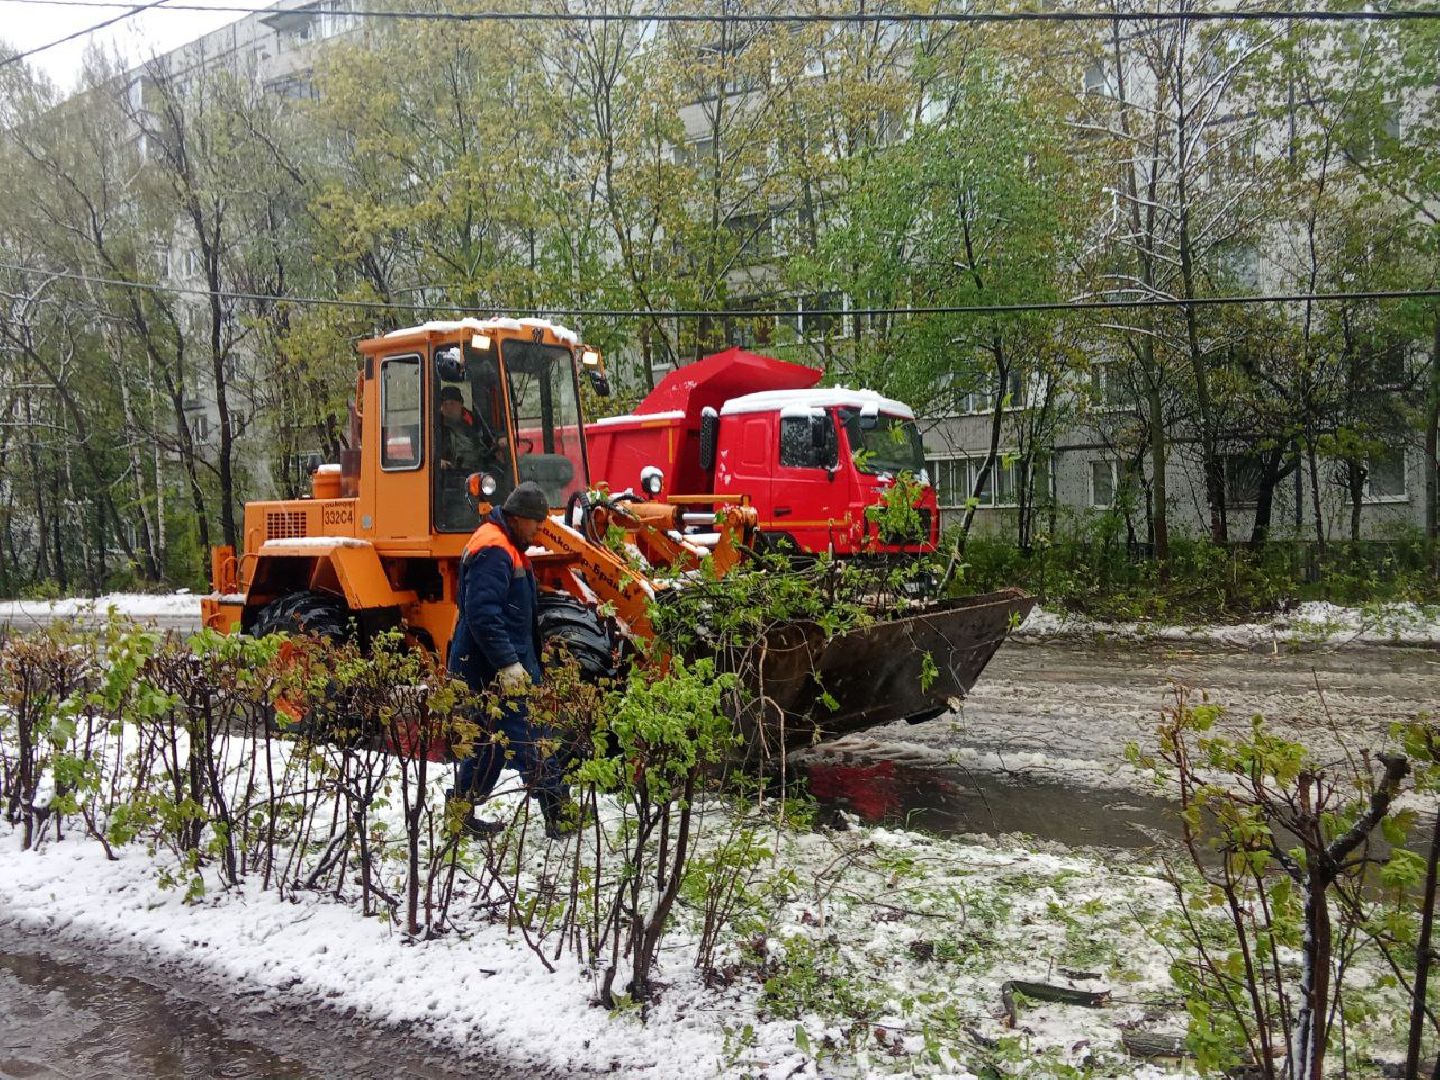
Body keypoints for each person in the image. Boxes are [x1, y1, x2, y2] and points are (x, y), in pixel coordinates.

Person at [447, 481, 578, 840]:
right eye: (536, 525)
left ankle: (459, 812)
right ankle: (559, 814)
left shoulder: (505, 544)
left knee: (492, 743)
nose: (538, 534)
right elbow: (483, 613)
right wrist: (508, 663)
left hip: (490, 665)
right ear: (519, 518)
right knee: (531, 738)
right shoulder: (494, 547)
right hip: (494, 669)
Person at [438, 385, 483, 472]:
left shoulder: (475, 421)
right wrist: (438, 461)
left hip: (478, 469)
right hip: (449, 473)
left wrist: (500, 438)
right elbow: (428, 452)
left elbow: (488, 439)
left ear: (461, 403)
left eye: (452, 403)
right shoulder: (435, 426)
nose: (448, 408)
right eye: (445, 404)